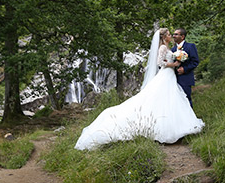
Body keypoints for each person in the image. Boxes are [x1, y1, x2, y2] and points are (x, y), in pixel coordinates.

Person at [74, 28, 204, 150]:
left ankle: (182, 128)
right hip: (167, 75)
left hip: (173, 77)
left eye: (174, 34)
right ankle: (167, 130)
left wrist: (180, 66)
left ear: (182, 36)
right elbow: (160, 63)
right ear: (164, 37)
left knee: (174, 101)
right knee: (164, 101)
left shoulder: (178, 47)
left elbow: (193, 61)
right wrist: (174, 64)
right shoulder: (165, 47)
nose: (172, 36)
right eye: (170, 34)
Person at [172, 28, 199, 107]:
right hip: (173, 79)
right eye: (173, 34)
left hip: (185, 78)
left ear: (182, 36)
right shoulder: (172, 49)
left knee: (186, 99)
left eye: (176, 34)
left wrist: (185, 69)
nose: (174, 36)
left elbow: (195, 61)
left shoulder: (190, 46)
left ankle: (190, 118)